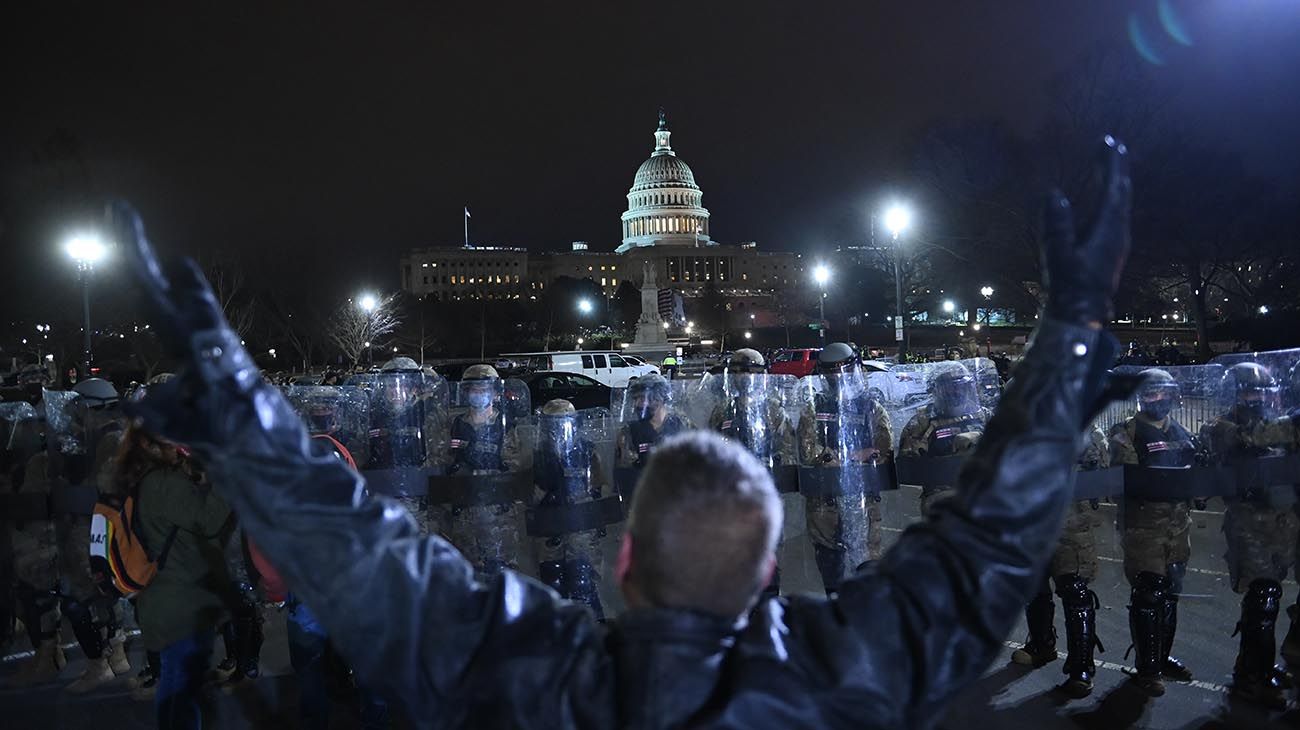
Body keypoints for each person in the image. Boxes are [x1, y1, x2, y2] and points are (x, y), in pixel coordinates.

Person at [114, 135, 1132, 728]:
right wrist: (1067, 349)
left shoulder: (534, 680)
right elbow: (982, 553)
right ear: (770, 563)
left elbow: (362, 558)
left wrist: (244, 407)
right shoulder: (844, 673)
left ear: (627, 555)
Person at [122, 424, 237, 729]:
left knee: (175, 682)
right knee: (183, 687)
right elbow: (208, 520)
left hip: (170, 596)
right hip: (180, 602)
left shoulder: (152, 477)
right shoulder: (163, 482)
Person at [1200, 362, 1294, 708]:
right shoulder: (1223, 426)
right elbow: (1248, 440)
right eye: (1250, 392)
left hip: (1282, 520)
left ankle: (1249, 667)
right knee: (1262, 597)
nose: (1257, 398)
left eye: (1262, 392)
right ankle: (1257, 673)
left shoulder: (1277, 423)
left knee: (1269, 598)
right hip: (1249, 520)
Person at [1107, 368, 1196, 697]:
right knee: (1149, 594)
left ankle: (1160, 657)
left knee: (1171, 594)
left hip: (1178, 524)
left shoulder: (1182, 432)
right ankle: (1147, 667)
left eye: (1160, 393)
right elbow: (1127, 479)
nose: (1153, 399)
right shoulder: (1125, 433)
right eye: (1148, 394)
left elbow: (1196, 476)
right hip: (1143, 526)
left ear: (1172, 396)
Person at [1010, 425, 1110, 698]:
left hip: (1071, 526)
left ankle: (1081, 669)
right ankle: (1042, 646)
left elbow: (1101, 468)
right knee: (1035, 589)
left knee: (1075, 593)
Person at [53, 377, 132, 692]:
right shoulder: (105, 437)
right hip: (101, 528)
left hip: (96, 529)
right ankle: (116, 655)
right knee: (105, 595)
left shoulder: (110, 440)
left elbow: (106, 489)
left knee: (79, 598)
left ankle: (100, 664)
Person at [798, 342, 893, 593]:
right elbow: (808, 452)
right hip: (824, 503)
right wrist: (853, 455)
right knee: (831, 570)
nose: (837, 378)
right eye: (830, 372)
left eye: (843, 371)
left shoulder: (871, 407)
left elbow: (882, 452)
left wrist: (832, 457)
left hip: (863, 500)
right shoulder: (814, 408)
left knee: (867, 568)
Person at [707, 348, 795, 599]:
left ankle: (768, 608)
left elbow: (787, 450)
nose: (743, 377)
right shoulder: (723, 410)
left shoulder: (773, 409)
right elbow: (712, 448)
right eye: (736, 372)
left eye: (749, 372)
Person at [442, 364, 525, 577]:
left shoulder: (506, 425)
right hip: (464, 514)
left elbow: (517, 471)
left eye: (484, 389)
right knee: (467, 578)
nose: (478, 394)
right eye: (473, 389)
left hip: (498, 516)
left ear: (495, 393)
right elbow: (443, 463)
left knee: (502, 577)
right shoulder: (455, 425)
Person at [531, 399, 610, 618]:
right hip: (550, 528)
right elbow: (529, 495)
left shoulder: (586, 451)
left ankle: (596, 631)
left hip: (580, 527)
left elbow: (598, 489)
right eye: (551, 424)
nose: (557, 429)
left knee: (582, 582)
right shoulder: (539, 456)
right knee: (553, 583)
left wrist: (597, 519)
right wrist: (546, 494)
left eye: (561, 422)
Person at [899, 360, 991, 516]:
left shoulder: (983, 415)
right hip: (942, 491)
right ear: (938, 390)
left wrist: (979, 438)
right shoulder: (923, 421)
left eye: (960, 386)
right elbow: (908, 466)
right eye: (950, 387)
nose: (956, 392)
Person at [613, 373, 691, 471]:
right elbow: (623, 472)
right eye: (635, 399)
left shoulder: (682, 425)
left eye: (642, 398)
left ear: (659, 398)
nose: (637, 404)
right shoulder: (629, 431)